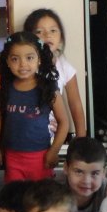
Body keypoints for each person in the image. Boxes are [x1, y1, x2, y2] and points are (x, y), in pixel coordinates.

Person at [0, 31, 69, 182]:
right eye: (15, 59)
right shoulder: (4, 88)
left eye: (29, 58)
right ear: (7, 61)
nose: (23, 64)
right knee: (16, 195)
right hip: (12, 157)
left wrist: (54, 151)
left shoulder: (48, 87)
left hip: (41, 157)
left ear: (39, 59)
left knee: (40, 196)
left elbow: (64, 122)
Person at [24, 9, 86, 138]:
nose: (47, 35)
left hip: (51, 134)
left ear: (61, 37)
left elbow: (75, 104)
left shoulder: (64, 67)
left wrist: (81, 139)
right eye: (39, 32)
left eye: (53, 30)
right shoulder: (24, 66)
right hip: (25, 130)